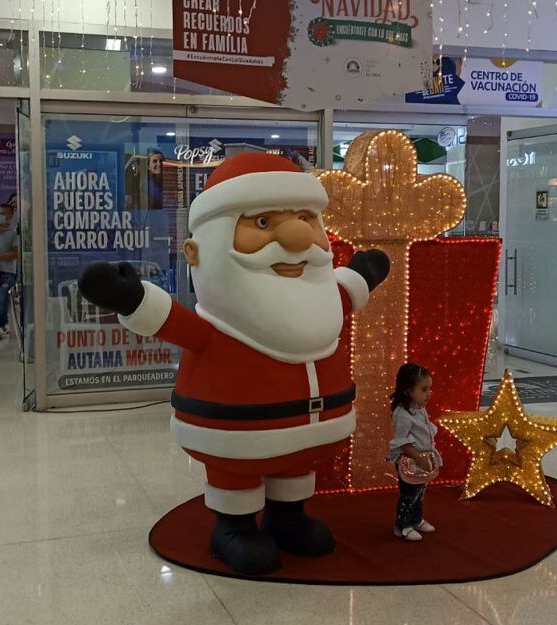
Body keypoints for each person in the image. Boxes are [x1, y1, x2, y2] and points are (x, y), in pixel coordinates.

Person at [77, 152, 390, 575]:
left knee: (295, 469)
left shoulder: (322, 298)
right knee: (235, 474)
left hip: (312, 429)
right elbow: (171, 321)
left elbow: (341, 295)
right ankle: (233, 528)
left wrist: (361, 276)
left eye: (304, 218)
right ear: (197, 251)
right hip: (235, 430)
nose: (298, 237)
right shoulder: (218, 325)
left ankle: (288, 518)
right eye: (262, 222)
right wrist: (131, 298)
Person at [387, 363, 442, 542]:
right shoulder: (402, 414)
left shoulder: (420, 408)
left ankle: (416, 519)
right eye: (424, 389)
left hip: (421, 459)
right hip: (410, 460)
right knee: (408, 495)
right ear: (408, 391)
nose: (429, 394)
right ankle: (402, 525)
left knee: (419, 492)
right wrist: (418, 458)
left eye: (429, 389)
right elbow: (402, 442)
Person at [0, 203, 18, 339]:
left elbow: (15, 253)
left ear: (10, 216)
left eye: (3, 214)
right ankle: (4, 322)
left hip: (8, 271)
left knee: (1, 295)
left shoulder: (14, 232)